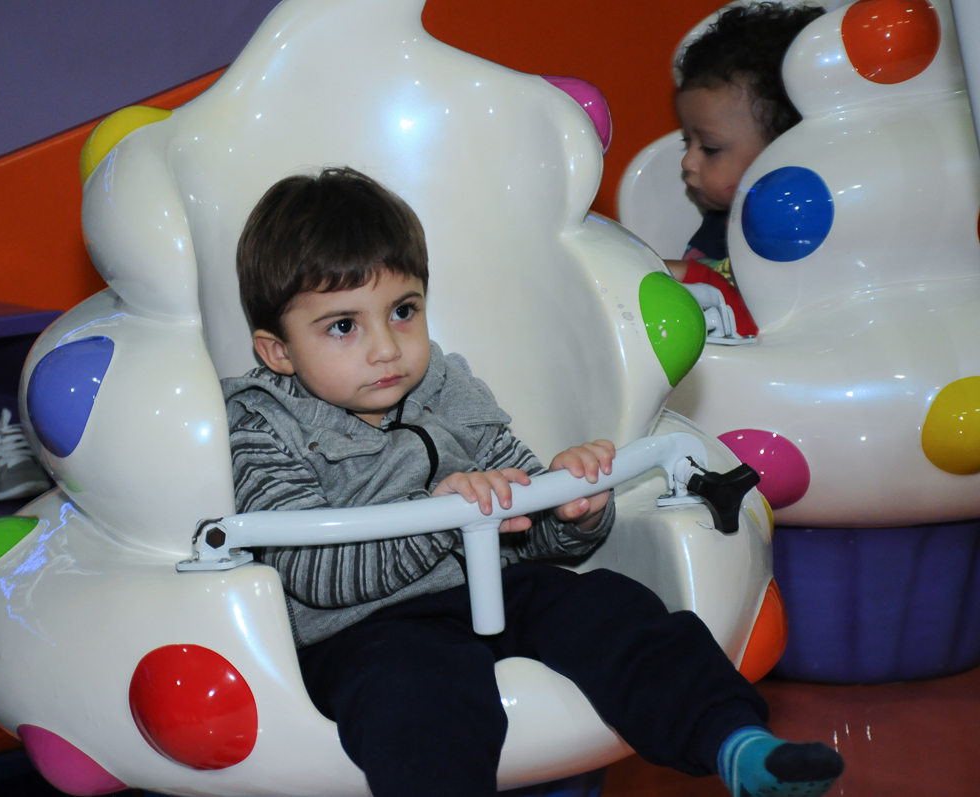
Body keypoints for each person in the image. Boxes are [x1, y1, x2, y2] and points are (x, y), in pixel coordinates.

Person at [222, 167, 843, 797]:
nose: (386, 347)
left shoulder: (449, 389)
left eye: (403, 311)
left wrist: (570, 506)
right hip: (362, 633)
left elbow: (530, 534)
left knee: (608, 605)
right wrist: (437, 518)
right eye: (343, 326)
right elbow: (307, 571)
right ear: (278, 351)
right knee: (416, 694)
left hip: (493, 593)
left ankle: (735, 743)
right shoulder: (262, 423)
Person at [665, 2, 826, 337]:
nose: (687, 162)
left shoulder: (800, 237)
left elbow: (772, 330)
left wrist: (695, 279)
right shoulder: (718, 219)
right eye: (686, 142)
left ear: (783, 149)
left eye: (709, 148)